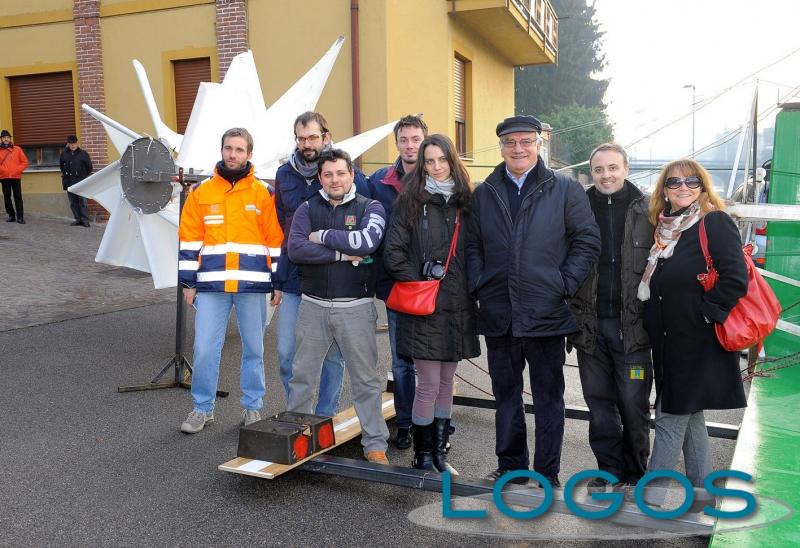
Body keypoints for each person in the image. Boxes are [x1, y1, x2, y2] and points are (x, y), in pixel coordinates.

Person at [465, 115, 601, 486]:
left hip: (547, 311)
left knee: (548, 399)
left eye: (526, 141)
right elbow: (472, 244)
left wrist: (563, 283)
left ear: (539, 144)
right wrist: (479, 282)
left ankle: (547, 472)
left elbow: (587, 241)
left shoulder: (564, 189)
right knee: (506, 397)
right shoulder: (486, 192)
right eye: (510, 142)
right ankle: (511, 467)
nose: (518, 148)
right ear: (502, 147)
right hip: (499, 312)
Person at [638, 158, 747, 504]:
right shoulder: (665, 229)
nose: (683, 187)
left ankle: (651, 501)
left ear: (702, 186)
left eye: (691, 181)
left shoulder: (713, 222)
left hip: (696, 341)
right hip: (669, 341)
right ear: (664, 191)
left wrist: (704, 315)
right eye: (674, 182)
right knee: (690, 415)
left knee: (670, 415)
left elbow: (735, 278)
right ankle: (706, 496)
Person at [286, 148, 390, 465]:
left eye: (340, 173)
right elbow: (296, 249)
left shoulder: (370, 207)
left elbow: (368, 243)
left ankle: (375, 444)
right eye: (328, 174)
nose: (335, 179)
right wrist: (342, 253)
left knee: (366, 381)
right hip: (312, 306)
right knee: (302, 377)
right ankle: (296, 437)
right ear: (320, 177)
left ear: (351, 174)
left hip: (355, 308)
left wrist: (324, 236)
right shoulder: (307, 208)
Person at [383, 134, 479, 474]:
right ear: (421, 165)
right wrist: (420, 274)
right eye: (429, 161)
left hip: (458, 305)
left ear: (452, 160)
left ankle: (439, 455)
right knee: (427, 383)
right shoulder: (410, 201)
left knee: (445, 383)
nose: (436, 167)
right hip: (424, 305)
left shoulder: (467, 201)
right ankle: (422, 458)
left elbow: (476, 251)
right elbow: (392, 253)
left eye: (442, 159)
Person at [177, 127, 283, 434]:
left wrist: (278, 282)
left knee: (254, 350)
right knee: (205, 349)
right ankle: (202, 409)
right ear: (221, 150)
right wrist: (188, 283)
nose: (232, 154)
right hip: (211, 286)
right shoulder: (201, 193)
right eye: (228, 148)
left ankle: (252, 408)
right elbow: (189, 241)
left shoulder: (264, 193)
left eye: (239, 149)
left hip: (253, 286)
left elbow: (275, 240)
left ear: (249, 154)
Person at [567, 143, 654, 493]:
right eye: (599, 169)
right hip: (590, 327)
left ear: (627, 168)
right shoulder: (578, 208)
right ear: (592, 172)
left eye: (613, 168)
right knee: (599, 405)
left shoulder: (649, 209)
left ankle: (636, 474)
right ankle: (609, 470)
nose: (606, 175)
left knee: (633, 404)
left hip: (633, 329)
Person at [273, 111, 372, 417]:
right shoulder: (283, 175)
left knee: (331, 356)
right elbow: (281, 224)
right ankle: (299, 414)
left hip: (332, 279)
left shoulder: (346, 171)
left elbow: (361, 221)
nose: (307, 144)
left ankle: (324, 416)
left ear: (326, 137)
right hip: (293, 276)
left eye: (313, 137)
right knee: (287, 354)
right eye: (301, 138)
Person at [370, 114, 429, 450]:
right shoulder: (380, 181)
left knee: (433, 362)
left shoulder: (438, 177)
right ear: (397, 143)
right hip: (398, 288)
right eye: (404, 140)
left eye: (415, 139)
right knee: (402, 362)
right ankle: (405, 423)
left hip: (434, 288)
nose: (410, 145)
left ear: (424, 140)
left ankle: (434, 425)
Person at [60, 135, 93, 227]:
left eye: (74, 144)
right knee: (73, 202)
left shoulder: (83, 154)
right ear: (68, 144)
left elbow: (89, 167)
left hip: (80, 181)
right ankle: (78, 219)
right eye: (71, 144)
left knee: (82, 201)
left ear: (77, 143)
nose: (73, 145)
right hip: (69, 181)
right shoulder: (64, 154)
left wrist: (82, 176)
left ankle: (85, 219)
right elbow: (62, 166)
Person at [0, 129, 29, 224]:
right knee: (7, 197)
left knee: (18, 196)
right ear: (1, 139)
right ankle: (11, 215)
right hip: (4, 177)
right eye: (4, 138)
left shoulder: (17, 149)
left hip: (16, 177)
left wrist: (17, 170)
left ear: (10, 138)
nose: (6, 139)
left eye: (7, 137)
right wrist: (3, 170)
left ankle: (20, 217)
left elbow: (25, 162)